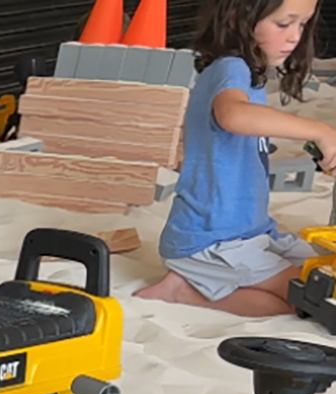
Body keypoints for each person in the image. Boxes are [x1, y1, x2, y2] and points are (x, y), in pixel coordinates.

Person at [135, 0, 336, 316]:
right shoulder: (231, 68)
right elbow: (233, 115)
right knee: (308, 296)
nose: (295, 36)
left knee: (314, 278)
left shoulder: (247, 77)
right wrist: (318, 129)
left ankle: (204, 284)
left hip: (251, 233)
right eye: (284, 24)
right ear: (237, 18)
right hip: (209, 242)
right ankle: (181, 291)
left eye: (303, 24)